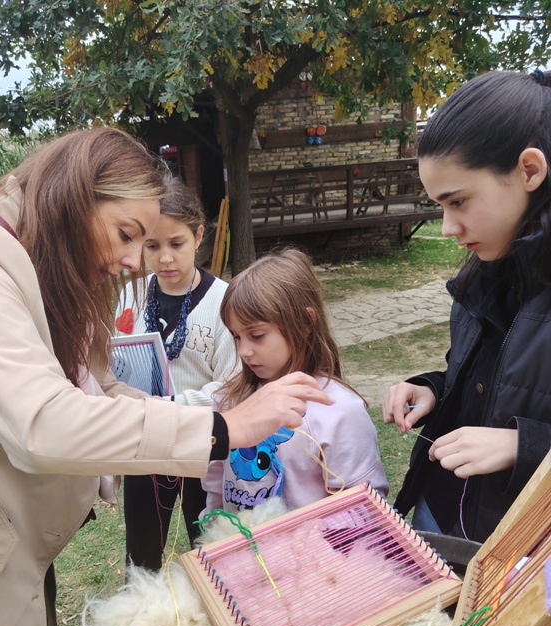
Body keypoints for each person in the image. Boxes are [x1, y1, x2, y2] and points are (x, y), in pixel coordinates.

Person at [0, 127, 332, 626]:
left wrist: (206, 425)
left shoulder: (44, 269)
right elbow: (45, 422)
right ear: (75, 198)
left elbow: (98, 393)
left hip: (6, 570)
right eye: (127, 235)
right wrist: (223, 428)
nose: (134, 261)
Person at [383, 69, 551, 543]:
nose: (447, 227)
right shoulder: (487, 270)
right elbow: (487, 381)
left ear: (529, 171)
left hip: (518, 545)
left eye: (458, 202)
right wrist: (435, 389)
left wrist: (524, 446)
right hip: (443, 513)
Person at [201, 248, 388, 518]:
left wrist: (308, 540)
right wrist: (214, 529)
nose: (243, 351)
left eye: (256, 335)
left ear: (304, 322)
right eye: (236, 336)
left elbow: (364, 505)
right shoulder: (228, 399)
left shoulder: (340, 411)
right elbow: (215, 484)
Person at [114, 177, 239, 570]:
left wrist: (170, 406)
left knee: (210, 543)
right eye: (152, 246)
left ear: (199, 236)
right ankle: (142, 602)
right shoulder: (131, 295)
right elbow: (116, 362)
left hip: (203, 442)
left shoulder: (224, 302)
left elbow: (231, 385)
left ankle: (214, 600)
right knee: (142, 549)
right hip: (146, 441)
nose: (165, 258)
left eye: (176, 244)